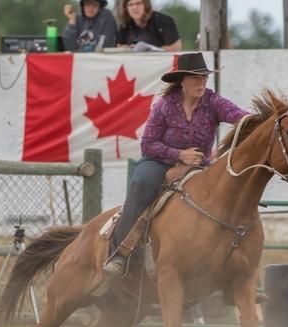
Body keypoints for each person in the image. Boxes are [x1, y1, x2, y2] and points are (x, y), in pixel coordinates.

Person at [104, 52, 249, 277]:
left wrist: (261, 121)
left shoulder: (213, 102)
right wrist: (179, 154)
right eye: (195, 79)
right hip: (157, 163)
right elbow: (148, 144)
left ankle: (229, 267)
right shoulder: (165, 105)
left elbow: (239, 116)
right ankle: (120, 253)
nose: (201, 83)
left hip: (199, 168)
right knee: (142, 184)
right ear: (182, 81)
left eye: (204, 78)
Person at [116, 0, 182, 51]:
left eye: (138, 3)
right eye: (130, 4)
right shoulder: (125, 24)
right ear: (125, 8)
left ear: (146, 5)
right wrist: (129, 48)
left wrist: (150, 51)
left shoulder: (162, 20)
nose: (134, 7)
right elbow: (119, 47)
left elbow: (177, 47)